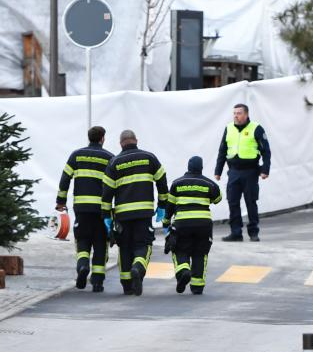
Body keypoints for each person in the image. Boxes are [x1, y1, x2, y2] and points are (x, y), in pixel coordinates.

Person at [102, 129, 168, 296]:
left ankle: (126, 285)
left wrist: (106, 216)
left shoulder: (114, 162)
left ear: (120, 143)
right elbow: (162, 181)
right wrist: (162, 205)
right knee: (143, 245)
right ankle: (138, 267)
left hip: (123, 215)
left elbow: (107, 193)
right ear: (136, 140)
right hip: (143, 214)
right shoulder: (149, 157)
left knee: (124, 247)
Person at [57, 126, 114, 292]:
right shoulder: (110, 158)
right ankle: (97, 282)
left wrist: (60, 201)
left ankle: (82, 266)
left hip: (81, 208)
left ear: (89, 137)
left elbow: (65, 179)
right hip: (101, 210)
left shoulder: (76, 155)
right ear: (102, 138)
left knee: (82, 240)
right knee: (100, 243)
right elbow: (115, 185)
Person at [164, 155, 221, 295]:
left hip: (182, 223)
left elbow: (170, 205)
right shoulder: (209, 183)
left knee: (179, 249)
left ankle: (184, 271)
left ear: (188, 167)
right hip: (204, 224)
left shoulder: (177, 183)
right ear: (201, 168)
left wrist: (166, 221)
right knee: (200, 253)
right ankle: (197, 286)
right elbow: (218, 199)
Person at [214, 103, 271, 241]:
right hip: (233, 171)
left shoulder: (256, 128)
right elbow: (222, 151)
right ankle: (236, 232)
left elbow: (266, 151)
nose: (236, 116)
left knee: (251, 202)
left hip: (250, 171)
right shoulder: (229, 128)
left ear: (246, 114)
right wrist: (218, 171)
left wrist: (265, 169)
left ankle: (253, 232)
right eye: (234, 113)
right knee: (232, 202)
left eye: (239, 113)